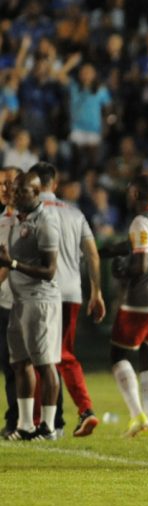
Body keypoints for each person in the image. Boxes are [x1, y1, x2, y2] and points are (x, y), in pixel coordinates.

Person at [101, 175, 148, 439]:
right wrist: (113, 250)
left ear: (135, 193)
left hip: (145, 298)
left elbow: (141, 264)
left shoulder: (140, 220)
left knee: (118, 356)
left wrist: (123, 271)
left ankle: (137, 415)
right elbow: (140, 244)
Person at [34, 161, 105, 437]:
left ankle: (69, 414)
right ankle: (54, 420)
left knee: (52, 356)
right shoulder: (74, 214)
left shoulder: (33, 214)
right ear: (55, 182)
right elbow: (92, 254)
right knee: (58, 354)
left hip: (43, 293)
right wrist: (96, 291)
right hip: (73, 293)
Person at [0, 170, 62, 441]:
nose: (14, 194)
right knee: (20, 362)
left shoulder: (46, 222)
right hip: (18, 300)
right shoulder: (16, 219)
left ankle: (48, 426)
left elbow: (49, 270)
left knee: (45, 363)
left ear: (36, 193)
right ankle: (25, 425)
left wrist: (12, 264)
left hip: (40, 300)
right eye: (14, 190)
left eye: (20, 191)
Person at [0, 167, 18, 437]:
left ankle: (49, 420)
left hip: (25, 300)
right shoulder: (2, 220)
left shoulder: (27, 220)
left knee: (25, 363)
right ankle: (14, 418)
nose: (4, 189)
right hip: (4, 301)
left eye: (9, 183)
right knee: (7, 362)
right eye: (1, 184)